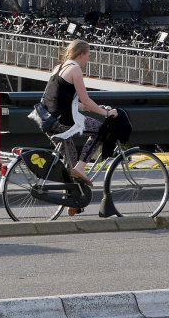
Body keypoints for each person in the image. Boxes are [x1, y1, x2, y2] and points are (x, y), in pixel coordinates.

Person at [39, 39, 118, 214]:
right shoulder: (75, 69)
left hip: (47, 120)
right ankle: (81, 168)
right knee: (101, 129)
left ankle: (73, 201)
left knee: (70, 157)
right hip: (62, 121)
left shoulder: (59, 68)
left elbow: (62, 99)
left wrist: (83, 107)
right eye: (88, 55)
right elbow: (87, 100)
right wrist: (106, 113)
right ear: (81, 54)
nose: (88, 59)